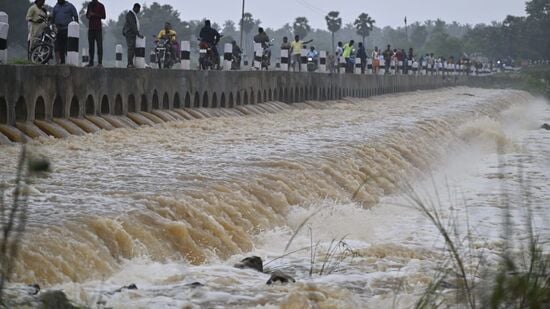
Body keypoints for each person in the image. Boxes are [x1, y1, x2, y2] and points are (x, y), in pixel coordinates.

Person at [52, 0, 78, 64]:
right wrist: (53, 26)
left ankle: (70, 62)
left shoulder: (70, 6)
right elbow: (53, 18)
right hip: (58, 30)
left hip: (67, 29)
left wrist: (75, 28)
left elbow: (75, 16)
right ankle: (62, 62)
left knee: (67, 46)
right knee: (60, 47)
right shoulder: (56, 7)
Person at [85, 0, 106, 67]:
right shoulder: (90, 5)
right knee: (91, 46)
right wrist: (89, 15)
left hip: (98, 29)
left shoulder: (101, 5)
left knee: (99, 45)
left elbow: (104, 16)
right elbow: (87, 16)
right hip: (91, 28)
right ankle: (91, 62)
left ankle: (100, 62)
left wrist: (94, 14)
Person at [123, 3, 143, 68]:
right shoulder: (130, 15)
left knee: (132, 48)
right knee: (131, 48)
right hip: (130, 34)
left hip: (131, 34)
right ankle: (129, 63)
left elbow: (126, 24)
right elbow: (132, 25)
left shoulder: (132, 15)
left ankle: (131, 63)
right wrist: (138, 34)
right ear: (135, 8)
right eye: (138, 9)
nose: (139, 11)